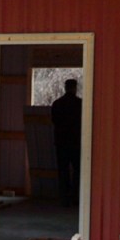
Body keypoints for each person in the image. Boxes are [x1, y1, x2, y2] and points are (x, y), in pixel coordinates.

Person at [51, 79, 81, 207]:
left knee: (63, 171)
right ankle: (76, 198)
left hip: (61, 142)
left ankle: (64, 199)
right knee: (78, 171)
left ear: (65, 88)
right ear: (75, 88)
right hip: (76, 142)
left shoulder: (57, 104)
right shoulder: (80, 104)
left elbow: (54, 121)